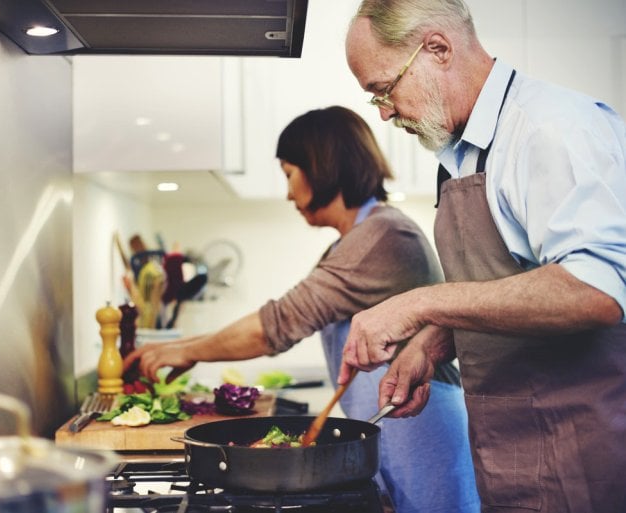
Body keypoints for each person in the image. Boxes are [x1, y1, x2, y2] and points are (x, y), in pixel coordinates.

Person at [340, 1, 626, 512]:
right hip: (515, 459)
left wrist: (422, 304)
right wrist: (432, 344)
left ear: (437, 48)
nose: (383, 111)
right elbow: (514, 282)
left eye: (384, 89)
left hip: (588, 463)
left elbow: (596, 289)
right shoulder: (461, 154)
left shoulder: (549, 127)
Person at [124, 106, 480, 513]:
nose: (289, 193)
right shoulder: (358, 238)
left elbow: (274, 326)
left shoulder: (383, 236)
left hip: (423, 434)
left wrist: (184, 350)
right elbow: (284, 317)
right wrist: (185, 346)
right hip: (397, 432)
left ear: (321, 166)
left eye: (289, 173)